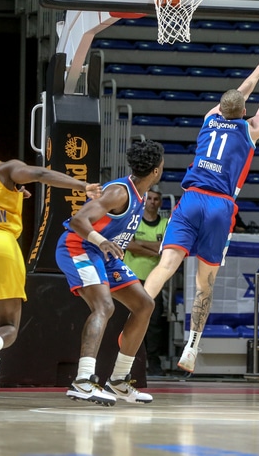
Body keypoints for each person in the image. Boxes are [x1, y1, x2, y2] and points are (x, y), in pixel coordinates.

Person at [141, 38, 259, 374]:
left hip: (190, 199)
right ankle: (192, 346)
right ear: (243, 111)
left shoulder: (209, 118)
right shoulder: (250, 128)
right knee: (205, 283)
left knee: (166, 264)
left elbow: (237, 95)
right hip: (219, 205)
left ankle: (136, 313)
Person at [0, 120, 102, 409]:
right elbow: (40, 173)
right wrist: (82, 185)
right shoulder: (4, 168)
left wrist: (13, 193)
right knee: (7, 326)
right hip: (2, 244)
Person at [56, 139, 164, 406]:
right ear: (156, 171)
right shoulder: (119, 192)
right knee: (104, 306)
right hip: (80, 246)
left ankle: (118, 380)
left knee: (144, 305)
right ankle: (82, 381)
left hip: (106, 255)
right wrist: (100, 240)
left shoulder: (139, 194)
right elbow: (79, 220)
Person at [122, 184, 169, 376]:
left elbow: (166, 247)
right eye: (149, 198)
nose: (152, 202)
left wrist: (142, 244)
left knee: (154, 324)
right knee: (126, 320)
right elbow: (130, 245)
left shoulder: (166, 223)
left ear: (160, 202)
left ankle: (153, 363)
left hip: (154, 280)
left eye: (156, 199)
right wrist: (154, 250)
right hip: (130, 278)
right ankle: (128, 361)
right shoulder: (135, 220)